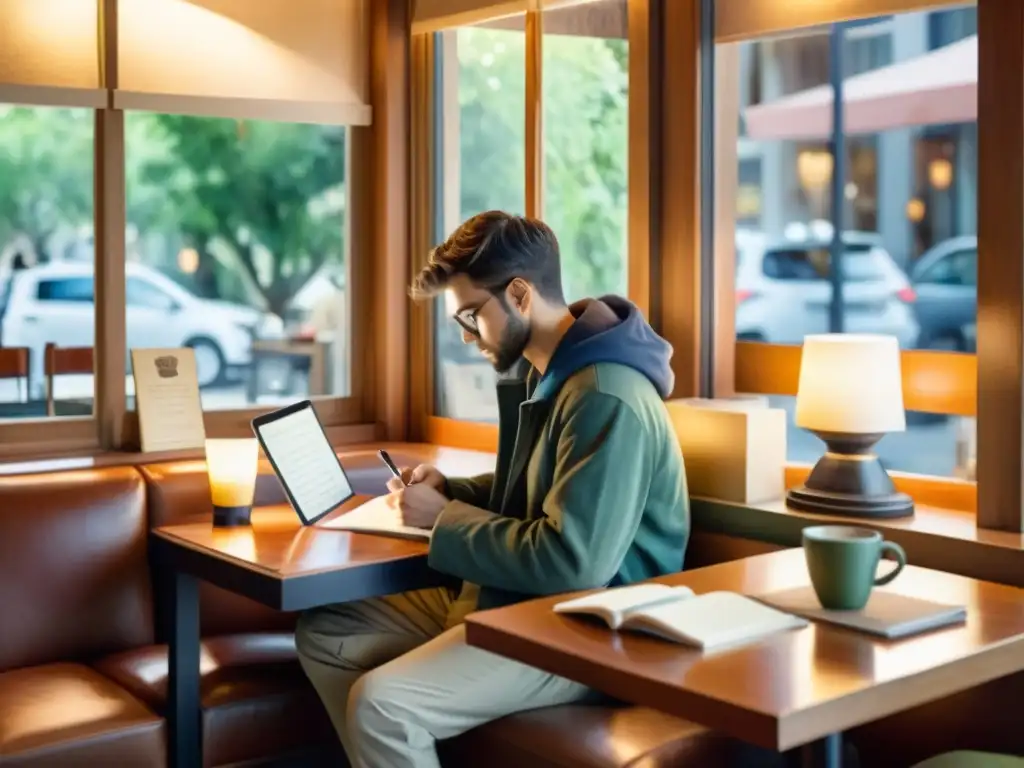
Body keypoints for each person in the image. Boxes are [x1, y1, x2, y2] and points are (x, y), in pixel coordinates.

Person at [295, 211, 689, 768]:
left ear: (521, 294)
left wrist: (442, 518)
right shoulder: (546, 373)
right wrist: (449, 490)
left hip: (587, 629)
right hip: (525, 605)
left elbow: (574, 561)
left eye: (471, 315)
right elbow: (538, 492)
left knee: (382, 707)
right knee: (328, 629)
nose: (464, 334)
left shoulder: (604, 395)